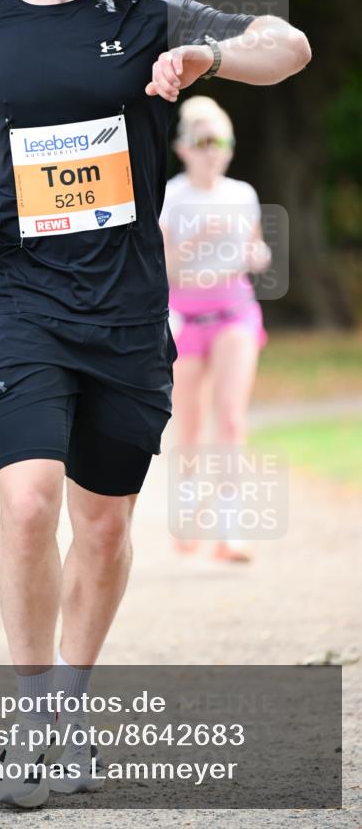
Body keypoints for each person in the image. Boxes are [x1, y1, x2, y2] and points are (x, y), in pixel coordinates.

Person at [0, 0, 311, 808]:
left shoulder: (142, 17)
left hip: (128, 318)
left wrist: (208, 53)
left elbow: (287, 45)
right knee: (29, 499)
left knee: (101, 523)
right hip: (22, 306)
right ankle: (32, 713)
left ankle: (73, 705)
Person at [160, 96, 272, 563]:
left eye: (219, 141)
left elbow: (255, 247)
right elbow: (161, 269)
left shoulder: (242, 194)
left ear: (229, 147)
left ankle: (229, 530)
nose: (211, 150)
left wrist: (257, 256)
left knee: (229, 417)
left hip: (234, 311)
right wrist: (199, 239)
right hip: (185, 315)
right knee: (189, 423)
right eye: (201, 141)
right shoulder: (170, 196)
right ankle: (189, 512)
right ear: (183, 148)